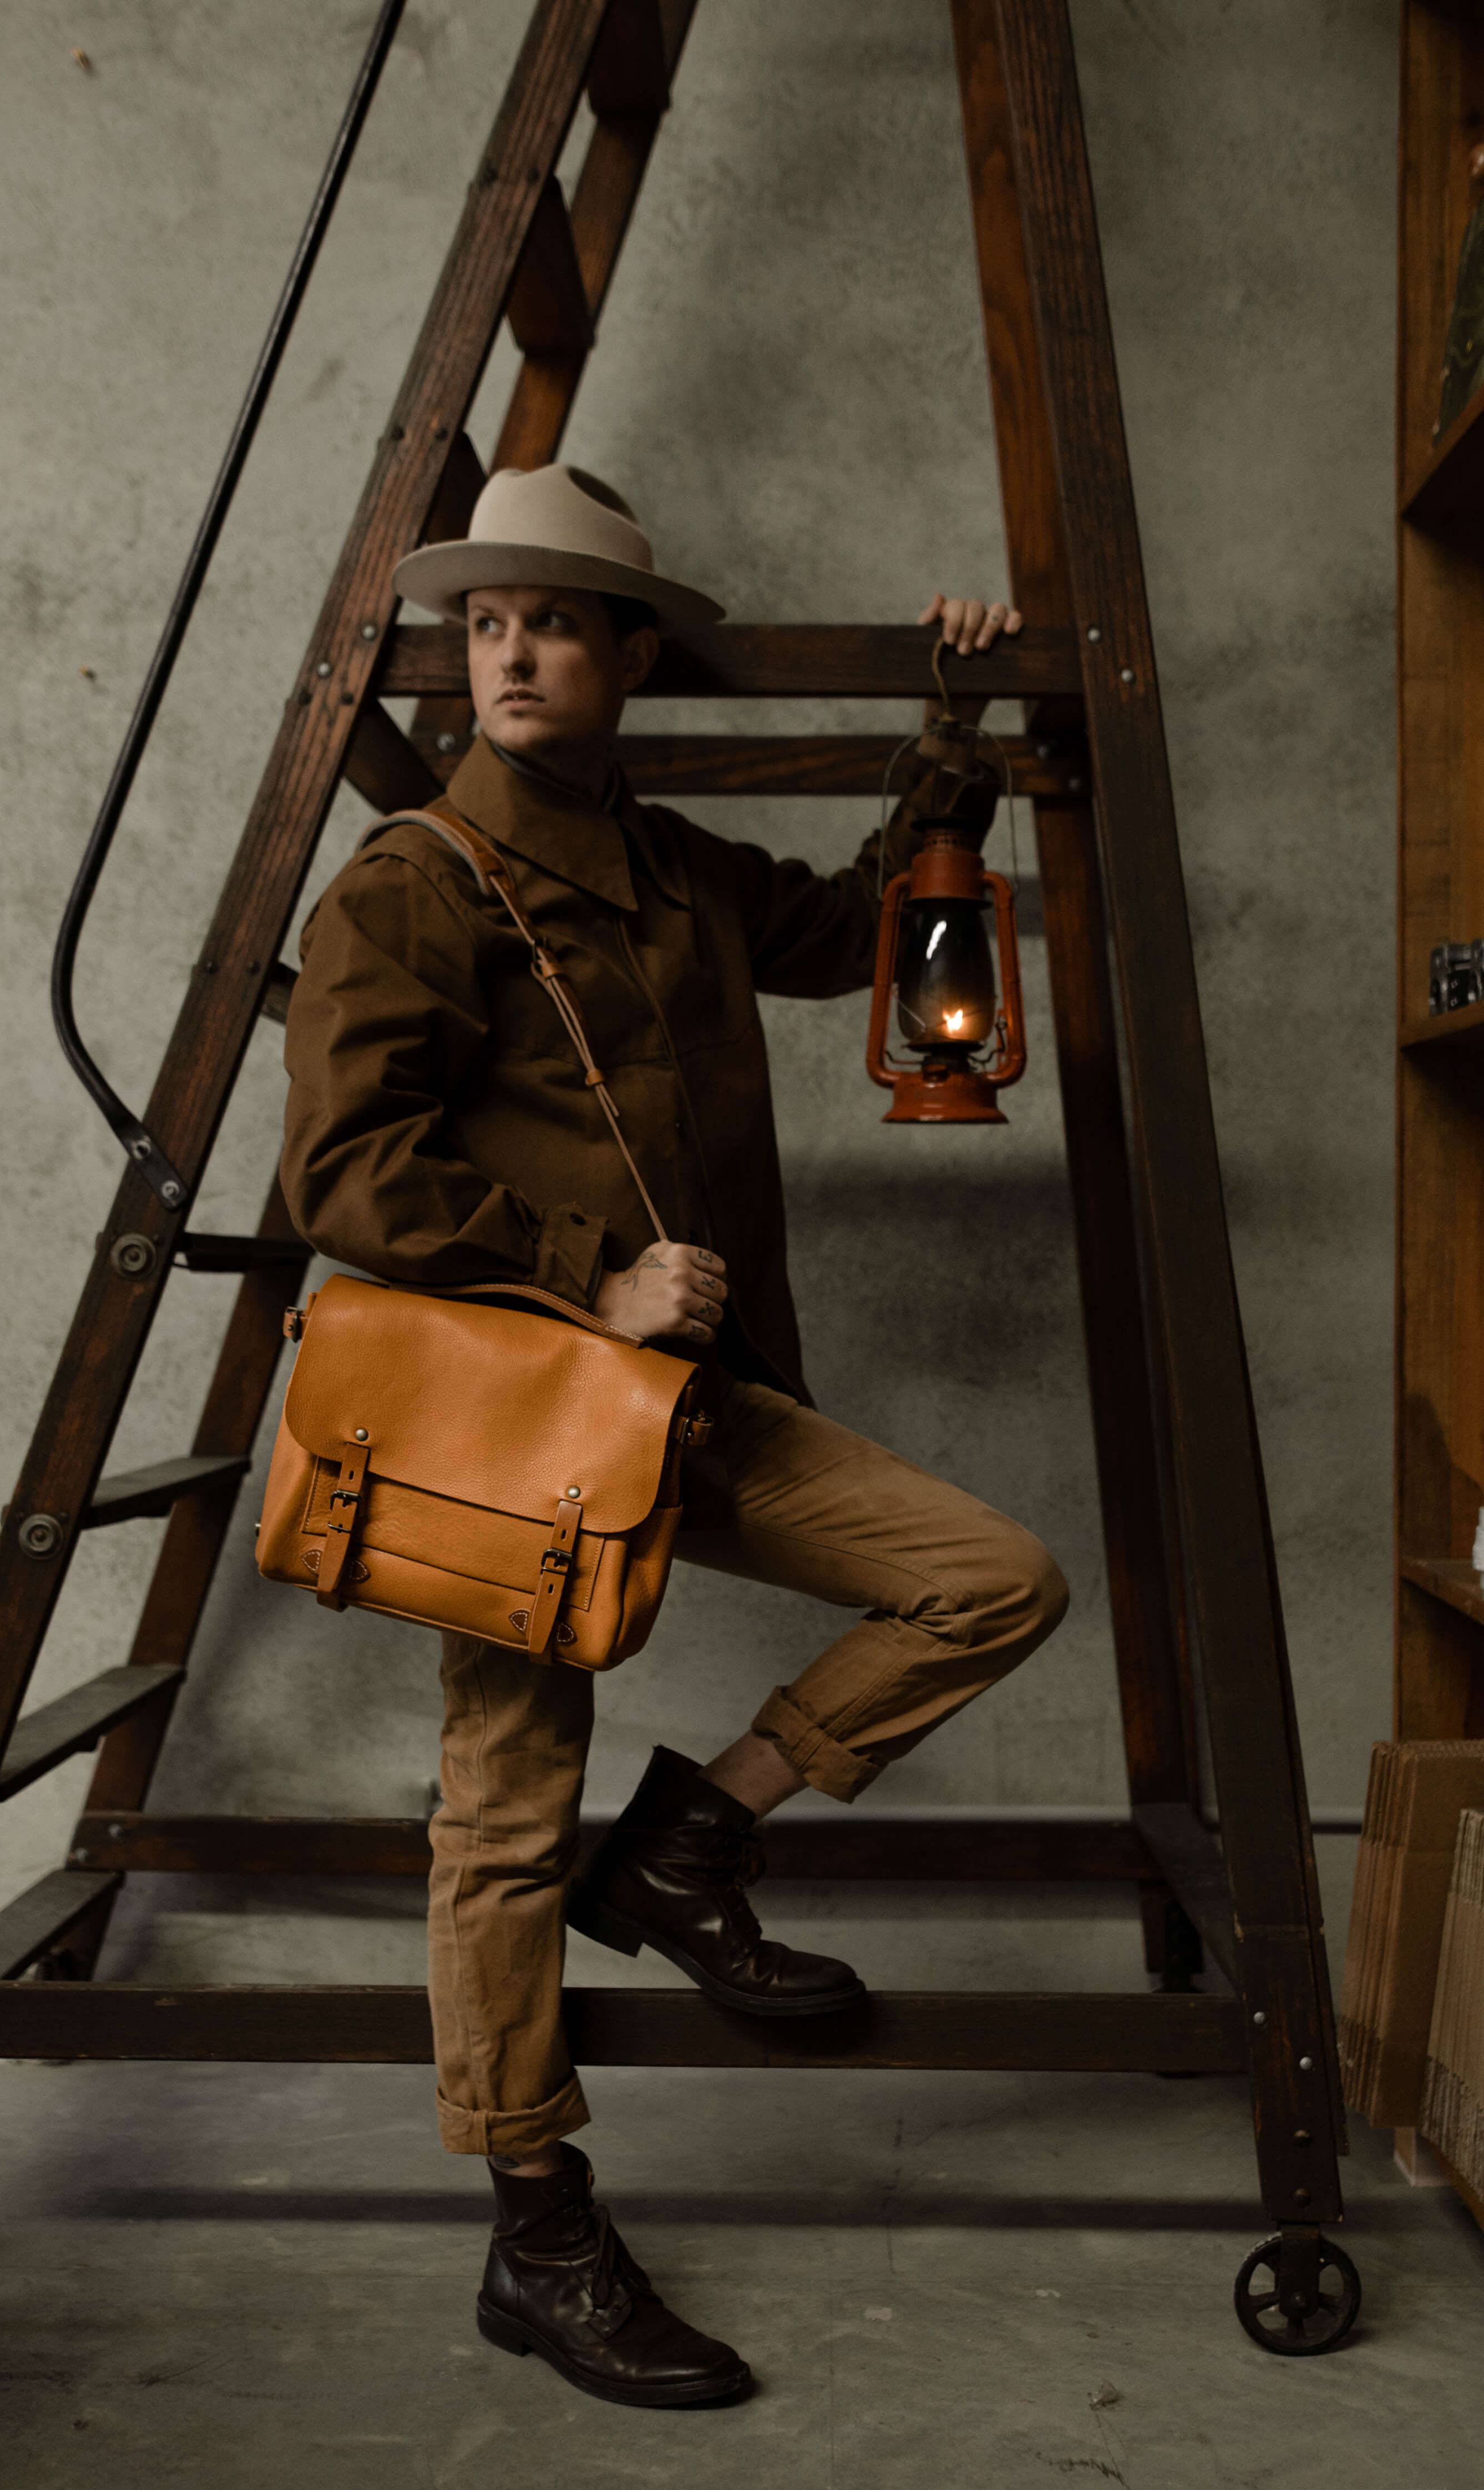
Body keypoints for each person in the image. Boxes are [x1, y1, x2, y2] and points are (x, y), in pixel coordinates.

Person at [279, 463, 1068, 2409]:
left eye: (554, 623)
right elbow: (345, 1171)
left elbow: (872, 930)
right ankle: (539, 2228)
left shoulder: (685, 871)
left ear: (631, 653)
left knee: (990, 1580)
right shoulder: (406, 882)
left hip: (708, 1409)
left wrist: (952, 725)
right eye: (486, 626)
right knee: (503, 1810)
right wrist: (588, 1274)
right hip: (528, 1430)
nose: (514, 658)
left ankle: (697, 1839)